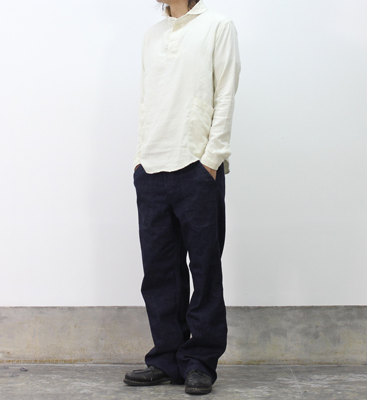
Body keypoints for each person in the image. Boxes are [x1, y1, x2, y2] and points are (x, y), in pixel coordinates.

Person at [123, 0, 240, 395]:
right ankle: (166, 360)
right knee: (159, 272)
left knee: (204, 270)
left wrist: (212, 159)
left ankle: (200, 363)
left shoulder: (218, 26)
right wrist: (139, 159)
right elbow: (147, 100)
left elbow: (226, 93)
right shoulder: (152, 35)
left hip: (196, 167)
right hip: (152, 168)